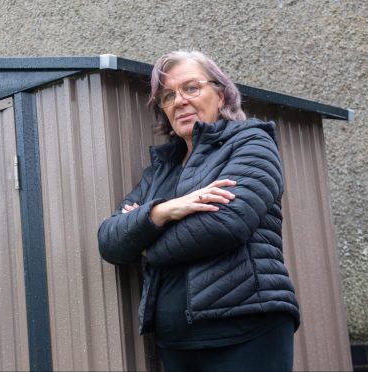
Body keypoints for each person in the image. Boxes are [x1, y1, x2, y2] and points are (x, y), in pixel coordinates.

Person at [97, 50, 300, 371]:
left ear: (220, 95)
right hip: (175, 343)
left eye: (191, 88)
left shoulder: (250, 143)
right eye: (168, 96)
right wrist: (163, 211)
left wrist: (145, 243)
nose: (179, 101)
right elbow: (110, 241)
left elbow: (225, 224)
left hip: (246, 329)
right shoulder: (160, 171)